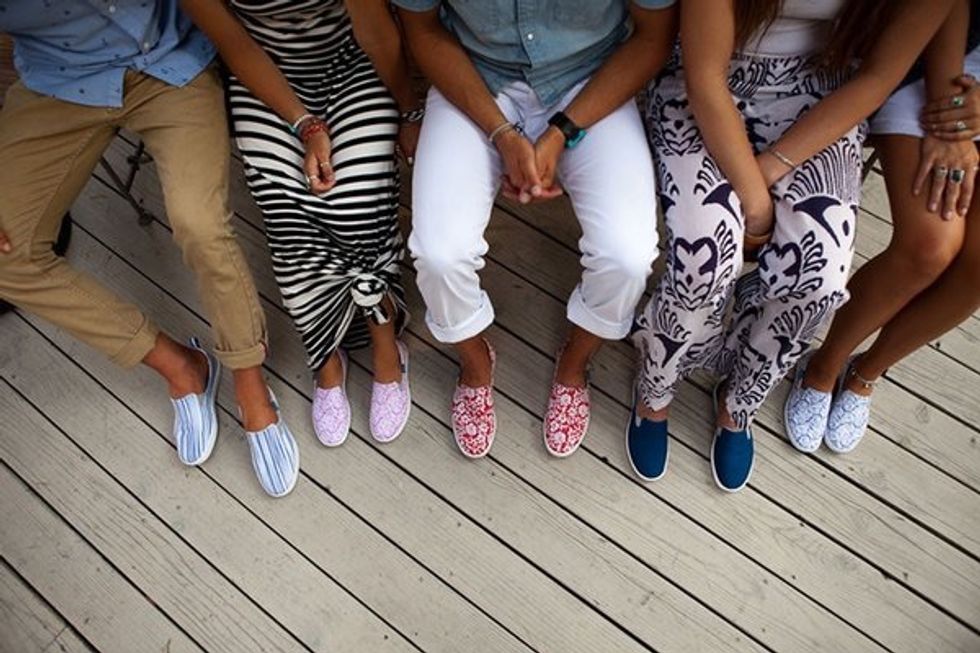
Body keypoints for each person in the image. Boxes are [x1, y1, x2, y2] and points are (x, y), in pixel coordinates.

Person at [628, 0, 959, 492]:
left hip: (825, 87)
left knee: (819, 276)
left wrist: (769, 170)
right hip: (707, 78)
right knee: (703, 264)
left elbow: (877, 78)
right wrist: (757, 205)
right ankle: (655, 390)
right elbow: (705, 77)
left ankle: (740, 400)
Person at [0, 0, 299, 498]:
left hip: (169, 61)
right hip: (59, 81)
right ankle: (180, 365)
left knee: (200, 224)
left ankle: (249, 380)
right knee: (7, 260)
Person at [393, 0, 678, 459]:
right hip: (475, 77)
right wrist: (502, 134)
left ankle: (575, 361)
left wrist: (562, 132)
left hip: (590, 79)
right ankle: (475, 361)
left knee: (628, 254)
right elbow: (422, 29)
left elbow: (653, 35)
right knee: (439, 253)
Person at [181, 0, 420, 447]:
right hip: (261, 70)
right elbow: (235, 43)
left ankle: (387, 346)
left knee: (357, 203)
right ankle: (326, 358)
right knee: (285, 212)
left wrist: (408, 111)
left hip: (351, 60)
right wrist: (306, 126)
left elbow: (374, 29)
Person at [785, 0, 980, 454]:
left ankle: (866, 372)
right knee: (931, 245)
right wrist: (950, 112)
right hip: (938, 59)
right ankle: (824, 364)